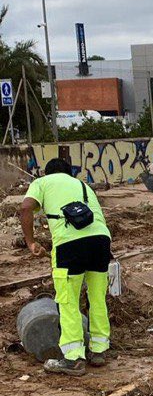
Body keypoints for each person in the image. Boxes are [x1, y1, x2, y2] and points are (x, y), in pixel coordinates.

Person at [18, 157, 112, 376]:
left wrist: (30, 242)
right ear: (69, 172)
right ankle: (99, 350)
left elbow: (25, 208)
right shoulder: (83, 185)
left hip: (70, 245)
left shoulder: (42, 182)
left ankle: (73, 358)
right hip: (100, 241)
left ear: (47, 172)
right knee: (97, 297)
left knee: (67, 300)